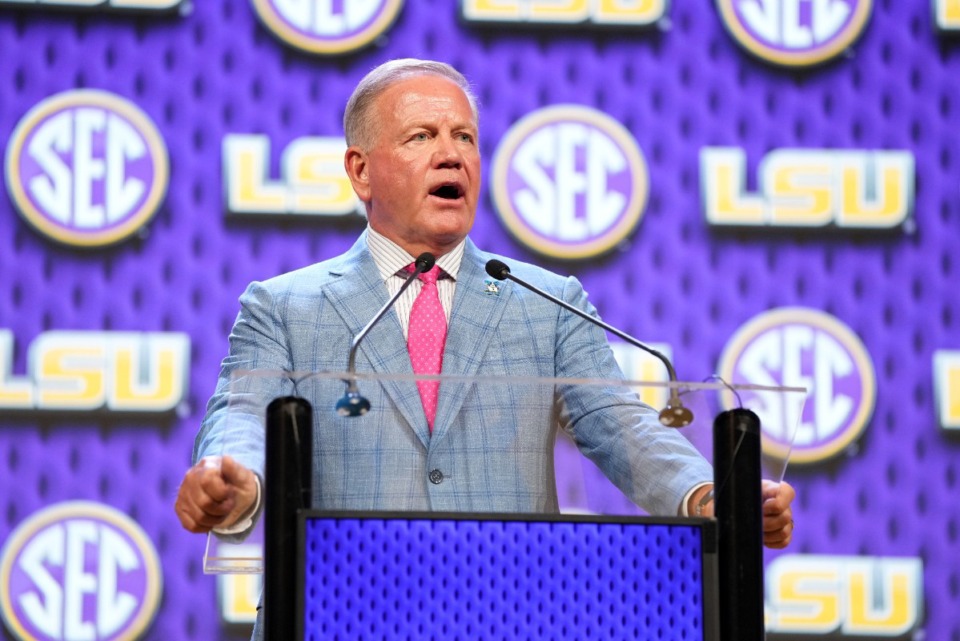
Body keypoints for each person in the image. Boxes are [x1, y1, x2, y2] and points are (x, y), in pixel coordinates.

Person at [175, 58, 796, 635]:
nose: (451, 155)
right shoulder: (285, 305)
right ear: (360, 170)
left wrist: (712, 495)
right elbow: (242, 416)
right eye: (421, 137)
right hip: (340, 613)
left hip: (509, 612)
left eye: (465, 138)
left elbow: (621, 426)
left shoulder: (544, 300)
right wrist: (236, 482)